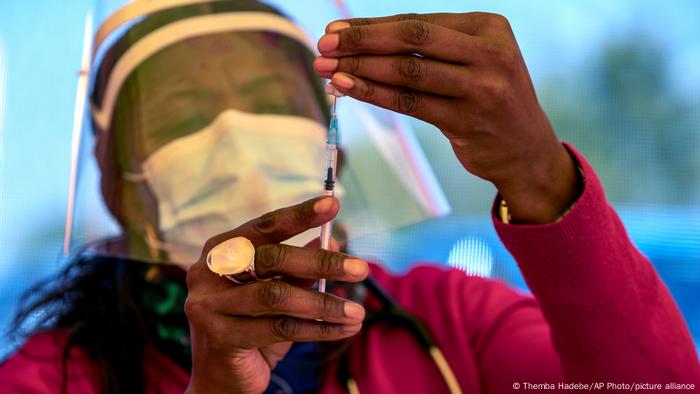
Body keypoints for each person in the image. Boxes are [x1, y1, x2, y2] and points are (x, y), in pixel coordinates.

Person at [2, 2, 699, 394]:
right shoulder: (49, 378)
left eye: (270, 100)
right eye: (185, 115)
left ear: (328, 142)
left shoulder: (451, 323)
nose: (239, 137)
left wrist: (542, 179)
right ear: (122, 186)